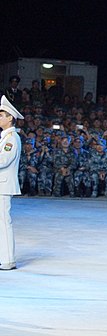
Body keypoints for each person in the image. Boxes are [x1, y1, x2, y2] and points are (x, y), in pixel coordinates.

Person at [0, 95, 23, 270]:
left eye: (2, 115)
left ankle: (8, 260)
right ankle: (4, 258)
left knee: (3, 223)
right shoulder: (5, 137)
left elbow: (3, 160)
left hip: (3, 184)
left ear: (10, 118)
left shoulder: (11, 139)